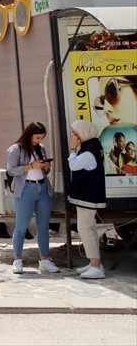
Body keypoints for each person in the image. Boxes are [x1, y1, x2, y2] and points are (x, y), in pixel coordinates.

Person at [6, 121, 59, 274]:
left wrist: (45, 168)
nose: (38, 141)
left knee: (43, 226)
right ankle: (17, 259)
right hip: (25, 188)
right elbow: (11, 170)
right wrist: (31, 166)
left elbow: (43, 171)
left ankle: (44, 259)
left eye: (41, 138)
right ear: (29, 134)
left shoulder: (41, 148)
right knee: (22, 226)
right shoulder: (16, 149)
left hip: (42, 187)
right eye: (37, 137)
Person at [67, 119, 107, 279]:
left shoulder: (90, 150)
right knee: (90, 229)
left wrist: (72, 149)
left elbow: (74, 165)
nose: (74, 136)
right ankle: (94, 263)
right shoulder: (91, 147)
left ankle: (96, 266)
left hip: (88, 197)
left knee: (85, 229)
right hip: (88, 196)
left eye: (76, 133)